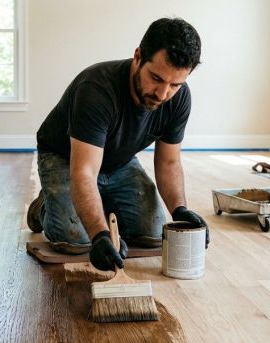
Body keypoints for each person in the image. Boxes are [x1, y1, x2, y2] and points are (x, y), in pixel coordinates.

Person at [27, 17, 209, 272]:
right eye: (156, 78)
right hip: (66, 158)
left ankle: (94, 202)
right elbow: (84, 172)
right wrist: (100, 234)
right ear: (138, 57)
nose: (162, 94)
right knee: (75, 240)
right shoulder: (96, 89)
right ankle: (46, 206)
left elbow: (168, 161)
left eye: (175, 85)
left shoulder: (178, 100)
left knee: (153, 233)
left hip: (118, 161)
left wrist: (180, 211)